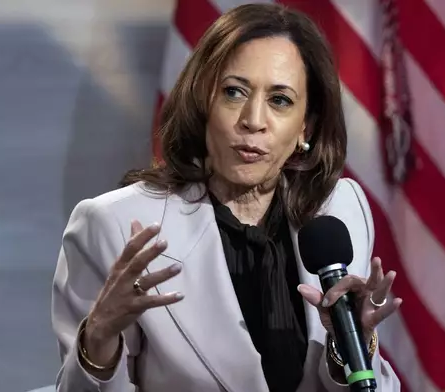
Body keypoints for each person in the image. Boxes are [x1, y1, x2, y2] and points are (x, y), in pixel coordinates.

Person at [51, 3, 403, 392]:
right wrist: (98, 339)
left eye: (280, 100)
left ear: (306, 126)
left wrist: (350, 347)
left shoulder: (338, 210)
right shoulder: (115, 225)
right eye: (234, 92)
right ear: (204, 105)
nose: (253, 120)